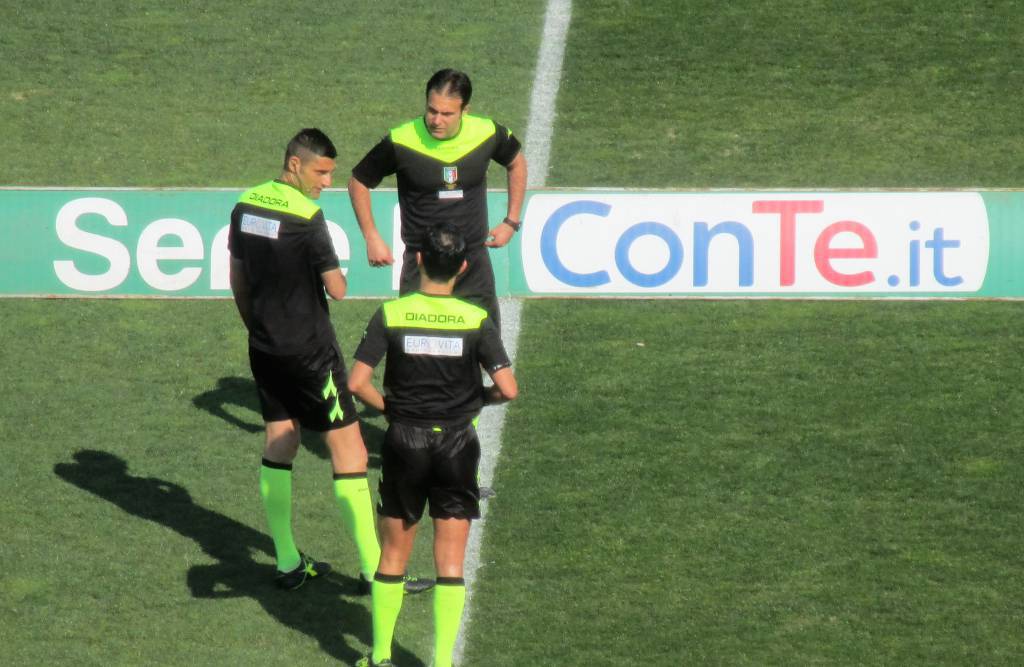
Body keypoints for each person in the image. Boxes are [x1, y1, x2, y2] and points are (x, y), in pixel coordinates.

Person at [228, 128, 432, 595]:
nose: (326, 182)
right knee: (351, 452)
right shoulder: (307, 217)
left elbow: (237, 277)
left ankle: (287, 562)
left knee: (280, 441)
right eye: (321, 172)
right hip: (311, 353)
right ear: (294, 164)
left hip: (264, 347)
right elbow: (336, 290)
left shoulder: (245, 204)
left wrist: (255, 327)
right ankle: (374, 572)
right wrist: (345, 270)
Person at [347, 224, 519, 667]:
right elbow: (508, 389)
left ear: (419, 260)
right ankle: (442, 662)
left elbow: (357, 383)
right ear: (462, 268)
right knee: (451, 563)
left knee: (392, 556)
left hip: (405, 440)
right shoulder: (475, 319)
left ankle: (380, 657)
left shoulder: (392, 313)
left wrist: (392, 409)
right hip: (457, 444)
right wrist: (473, 400)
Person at [347, 67, 527, 329]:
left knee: (484, 346)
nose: (436, 120)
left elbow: (516, 161)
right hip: (421, 266)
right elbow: (358, 181)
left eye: (447, 114)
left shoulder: (486, 133)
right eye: (432, 110)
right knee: (416, 348)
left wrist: (511, 221)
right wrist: (371, 236)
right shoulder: (402, 140)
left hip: (472, 265)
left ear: (465, 111)